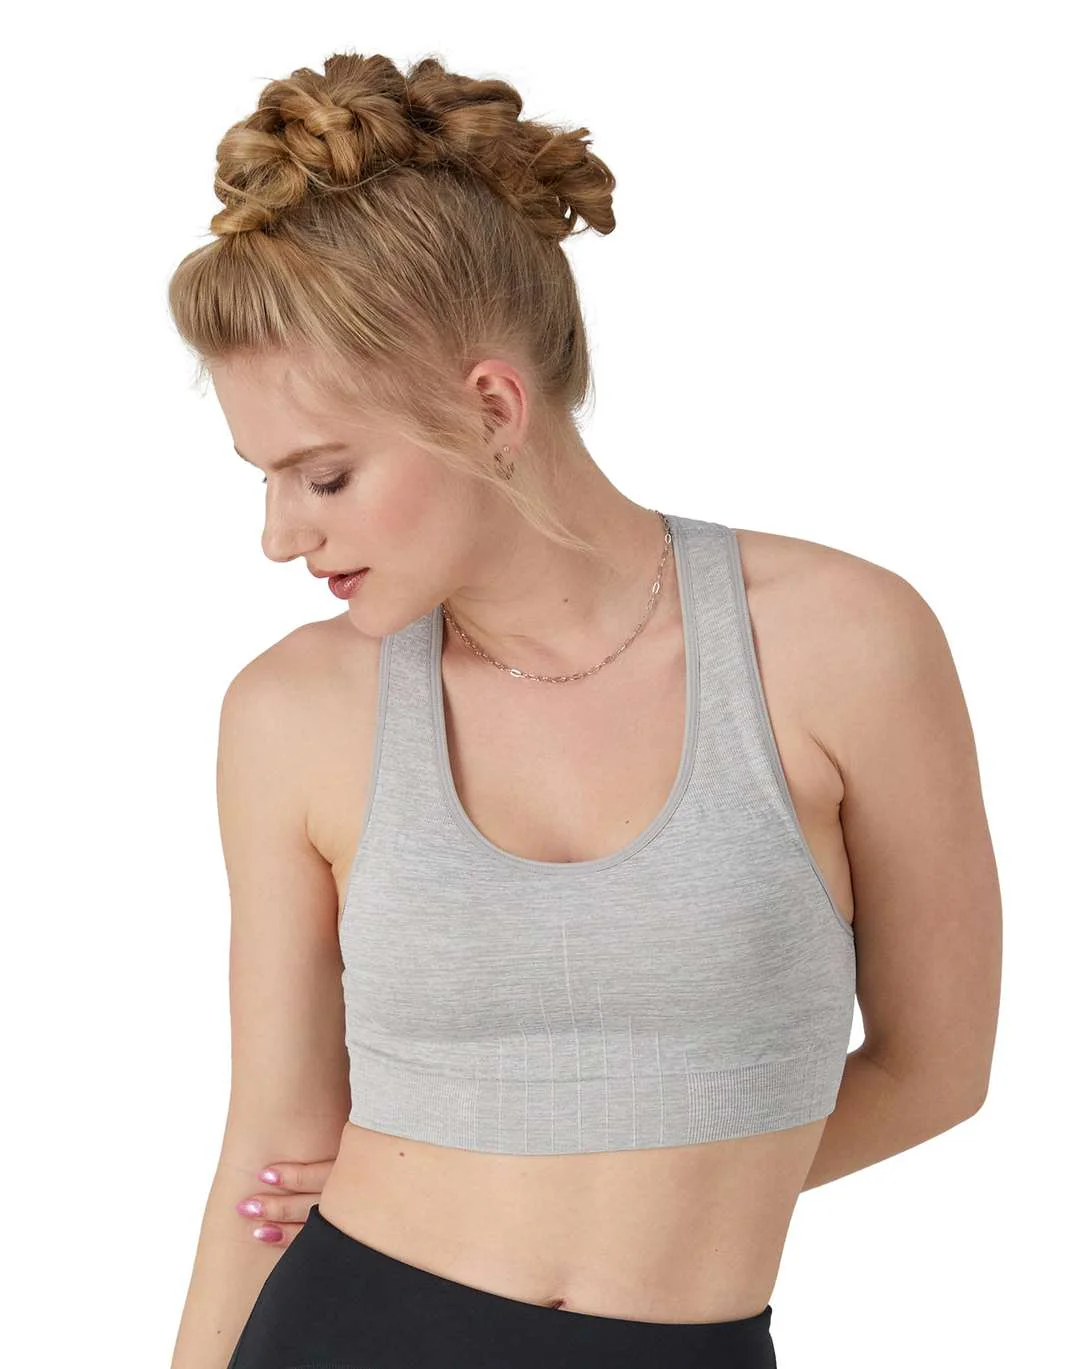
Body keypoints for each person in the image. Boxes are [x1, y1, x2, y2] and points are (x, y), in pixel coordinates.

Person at [167, 50, 1002, 1369]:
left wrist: (665, 1194)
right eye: (262, 480)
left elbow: (937, 1069)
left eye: (322, 477)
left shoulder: (844, 644)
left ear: (491, 407)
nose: (281, 535)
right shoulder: (291, 712)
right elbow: (272, 1145)